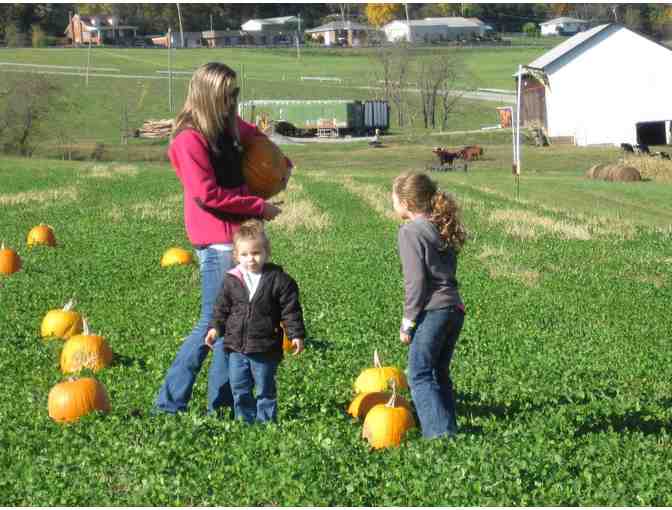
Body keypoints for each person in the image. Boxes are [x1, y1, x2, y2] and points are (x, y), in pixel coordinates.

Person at [154, 62, 284, 415]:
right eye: (229, 94)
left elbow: (255, 137)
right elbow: (207, 195)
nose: (234, 100)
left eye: (236, 93)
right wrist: (258, 205)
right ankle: (169, 403)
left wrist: (276, 163)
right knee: (213, 324)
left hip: (237, 241)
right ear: (211, 96)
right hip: (217, 245)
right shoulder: (189, 139)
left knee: (229, 326)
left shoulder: (227, 126)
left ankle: (221, 406)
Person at [391, 172, 468, 439]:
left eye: (393, 198)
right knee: (439, 372)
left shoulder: (410, 231)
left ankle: (438, 436)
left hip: (432, 310)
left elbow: (416, 281)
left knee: (420, 375)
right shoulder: (441, 226)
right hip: (454, 309)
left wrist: (408, 321)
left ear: (406, 203)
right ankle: (449, 428)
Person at [205, 219, 305, 423]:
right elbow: (221, 308)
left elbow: (290, 310)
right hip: (236, 348)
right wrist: (215, 329)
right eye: (244, 254)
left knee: (265, 388)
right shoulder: (231, 280)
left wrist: (295, 334)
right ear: (236, 256)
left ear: (267, 252)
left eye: (256, 253)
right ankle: (245, 421)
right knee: (239, 387)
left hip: (264, 347)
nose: (250, 259)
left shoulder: (278, 280)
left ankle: (266, 423)